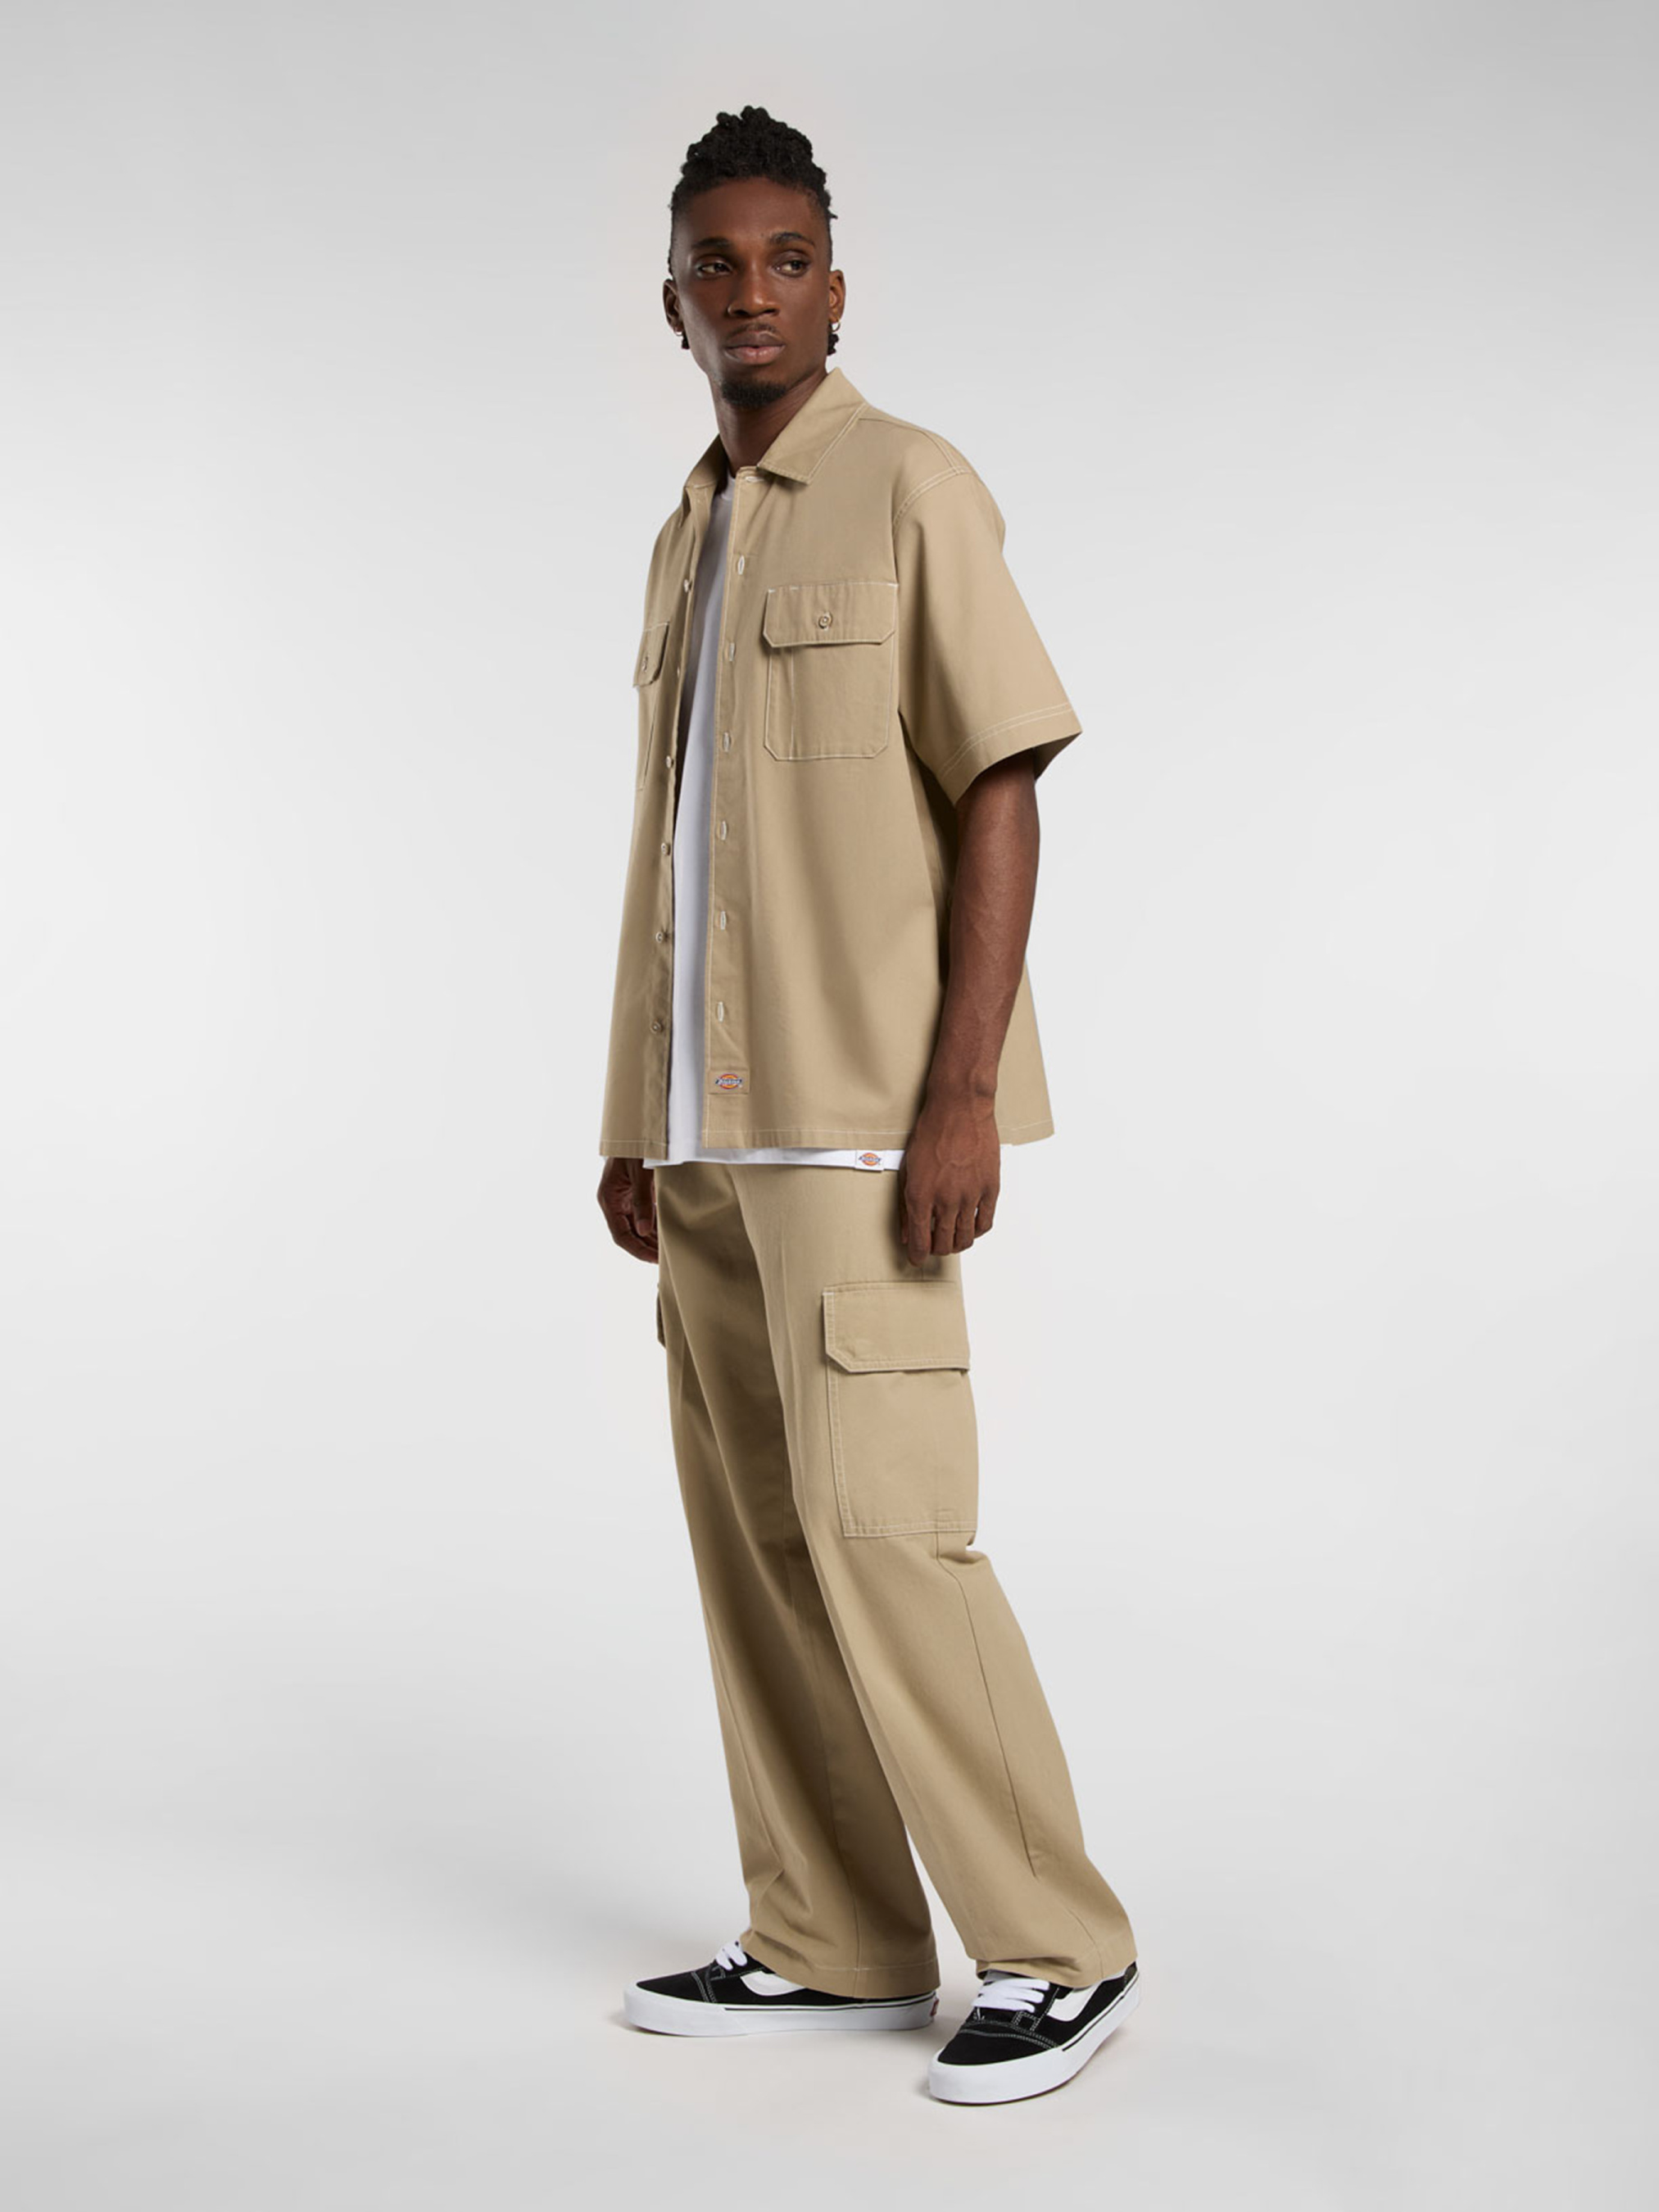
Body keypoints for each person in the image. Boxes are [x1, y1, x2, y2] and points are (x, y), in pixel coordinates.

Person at [595, 104, 1140, 2107]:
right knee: (756, 1550)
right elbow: (673, 854)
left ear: (837, 286)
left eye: (785, 258)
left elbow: (997, 786)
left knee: (889, 1534)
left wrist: (961, 1095)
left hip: (856, 1133)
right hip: (707, 1146)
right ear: (668, 300)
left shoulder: (913, 487)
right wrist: (633, 1112)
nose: (749, 292)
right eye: (714, 263)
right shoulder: (686, 532)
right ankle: (831, 1939)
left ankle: (1059, 1946)